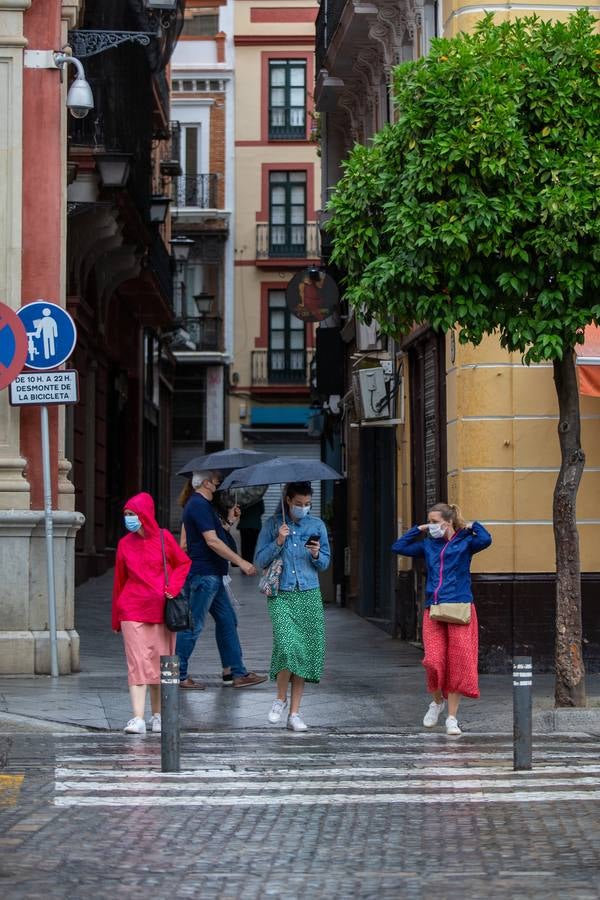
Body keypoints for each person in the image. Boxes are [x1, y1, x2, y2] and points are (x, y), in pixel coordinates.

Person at [392, 503, 492, 736]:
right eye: (430, 521)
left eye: (435, 522)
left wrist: (473, 526)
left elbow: (486, 540)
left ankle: (452, 718)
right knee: (433, 660)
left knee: (458, 662)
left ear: (448, 522)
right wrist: (419, 528)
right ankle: (437, 702)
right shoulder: (428, 544)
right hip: (434, 609)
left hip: (460, 608)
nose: (432, 526)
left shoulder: (466, 541)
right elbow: (398, 546)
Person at [176, 470, 267, 689]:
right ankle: (177, 675)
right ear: (206, 482)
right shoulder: (197, 504)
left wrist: (229, 521)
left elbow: (214, 533)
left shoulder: (205, 506)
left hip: (212, 576)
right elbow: (212, 542)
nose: (219, 480)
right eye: (216, 478)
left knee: (228, 620)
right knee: (193, 625)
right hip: (203, 575)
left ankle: (234, 672)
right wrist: (242, 562)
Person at [112, 492, 191, 735]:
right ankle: (138, 717)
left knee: (160, 664)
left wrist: (172, 587)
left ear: (144, 514)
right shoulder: (125, 544)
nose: (129, 519)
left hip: (161, 612)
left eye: (132, 514)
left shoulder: (164, 538)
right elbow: (119, 581)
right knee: (137, 664)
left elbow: (183, 563)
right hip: (132, 610)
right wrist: (116, 617)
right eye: (126, 514)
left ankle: (157, 716)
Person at [255, 481, 330, 732]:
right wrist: (278, 540)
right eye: (299, 504)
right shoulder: (273, 524)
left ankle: (295, 713)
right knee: (288, 647)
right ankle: (280, 699)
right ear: (288, 499)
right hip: (281, 594)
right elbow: (259, 560)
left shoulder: (316, 525)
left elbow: (325, 564)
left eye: (307, 504)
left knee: (304, 652)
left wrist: (318, 553)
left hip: (309, 593)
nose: (303, 508)